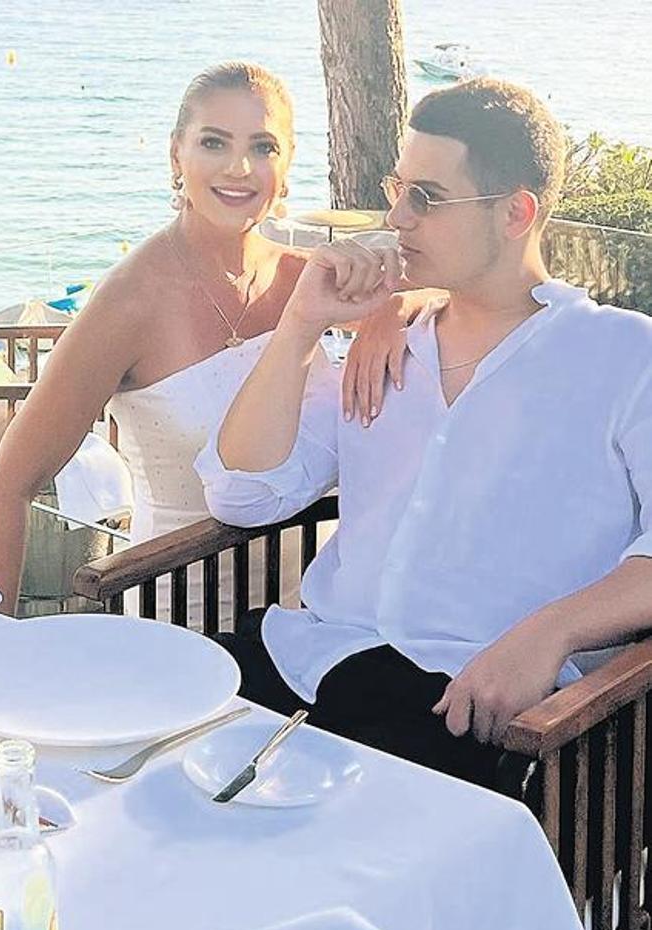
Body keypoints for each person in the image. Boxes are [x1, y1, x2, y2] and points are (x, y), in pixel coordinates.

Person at [196, 77, 652, 791]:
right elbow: (242, 495)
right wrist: (300, 327)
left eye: (426, 198)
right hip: (307, 663)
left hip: (476, 711)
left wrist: (552, 630)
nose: (395, 217)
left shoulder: (624, 357)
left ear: (516, 213)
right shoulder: (384, 346)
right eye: (398, 188)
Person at [0, 61, 429, 618]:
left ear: (286, 166)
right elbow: (9, 484)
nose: (239, 167)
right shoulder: (129, 302)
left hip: (317, 617)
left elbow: (465, 294)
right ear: (176, 156)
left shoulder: (304, 279)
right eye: (214, 142)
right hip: (181, 621)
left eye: (263, 147)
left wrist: (394, 310)